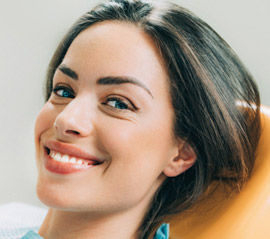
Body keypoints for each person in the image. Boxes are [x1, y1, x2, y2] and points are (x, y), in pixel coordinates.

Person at [16, 0, 262, 238]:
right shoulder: (10, 217)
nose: (66, 119)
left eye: (117, 103)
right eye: (63, 91)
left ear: (182, 153)